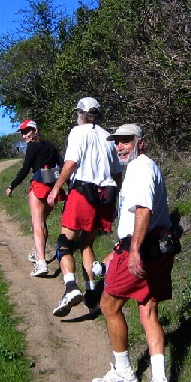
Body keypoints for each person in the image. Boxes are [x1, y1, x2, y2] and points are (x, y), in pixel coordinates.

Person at [91, 123, 179, 382]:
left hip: (141, 249)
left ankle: (124, 371)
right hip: (158, 250)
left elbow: (143, 210)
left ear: (141, 142)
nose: (120, 146)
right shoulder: (147, 167)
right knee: (149, 313)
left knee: (109, 305)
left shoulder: (140, 169)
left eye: (126, 141)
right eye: (117, 142)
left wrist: (133, 251)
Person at [47, 97, 122, 317]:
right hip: (106, 196)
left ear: (81, 113)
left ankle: (71, 287)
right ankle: (91, 294)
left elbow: (71, 163)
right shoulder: (108, 136)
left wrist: (55, 189)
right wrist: (117, 200)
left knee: (64, 242)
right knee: (87, 245)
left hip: (83, 192)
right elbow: (117, 172)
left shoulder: (77, 132)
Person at [6, 119, 65, 277]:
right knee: (42, 222)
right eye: (23, 132)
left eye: (27, 131)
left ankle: (41, 262)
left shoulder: (33, 146)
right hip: (53, 187)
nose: (25, 135)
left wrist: (12, 185)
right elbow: (62, 164)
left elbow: (25, 169)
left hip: (39, 186)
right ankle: (37, 253)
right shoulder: (51, 146)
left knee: (37, 223)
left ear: (35, 131)